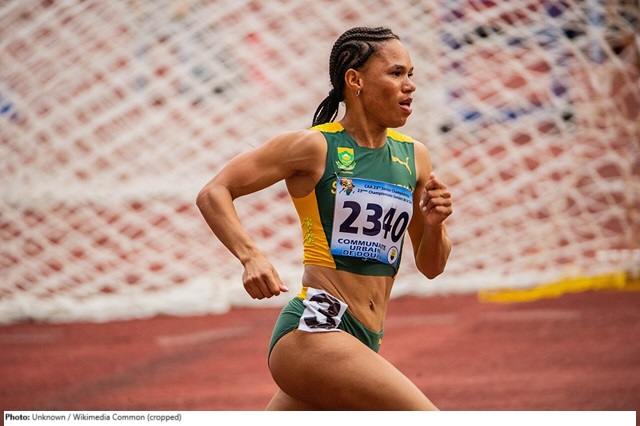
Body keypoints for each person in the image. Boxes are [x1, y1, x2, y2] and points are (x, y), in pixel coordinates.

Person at [196, 26, 453, 410]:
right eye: (396, 73)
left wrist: (435, 225)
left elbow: (431, 266)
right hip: (316, 329)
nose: (410, 85)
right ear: (355, 80)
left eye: (410, 74)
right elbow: (214, 192)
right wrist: (251, 256)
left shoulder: (414, 157)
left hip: (363, 338)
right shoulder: (315, 146)